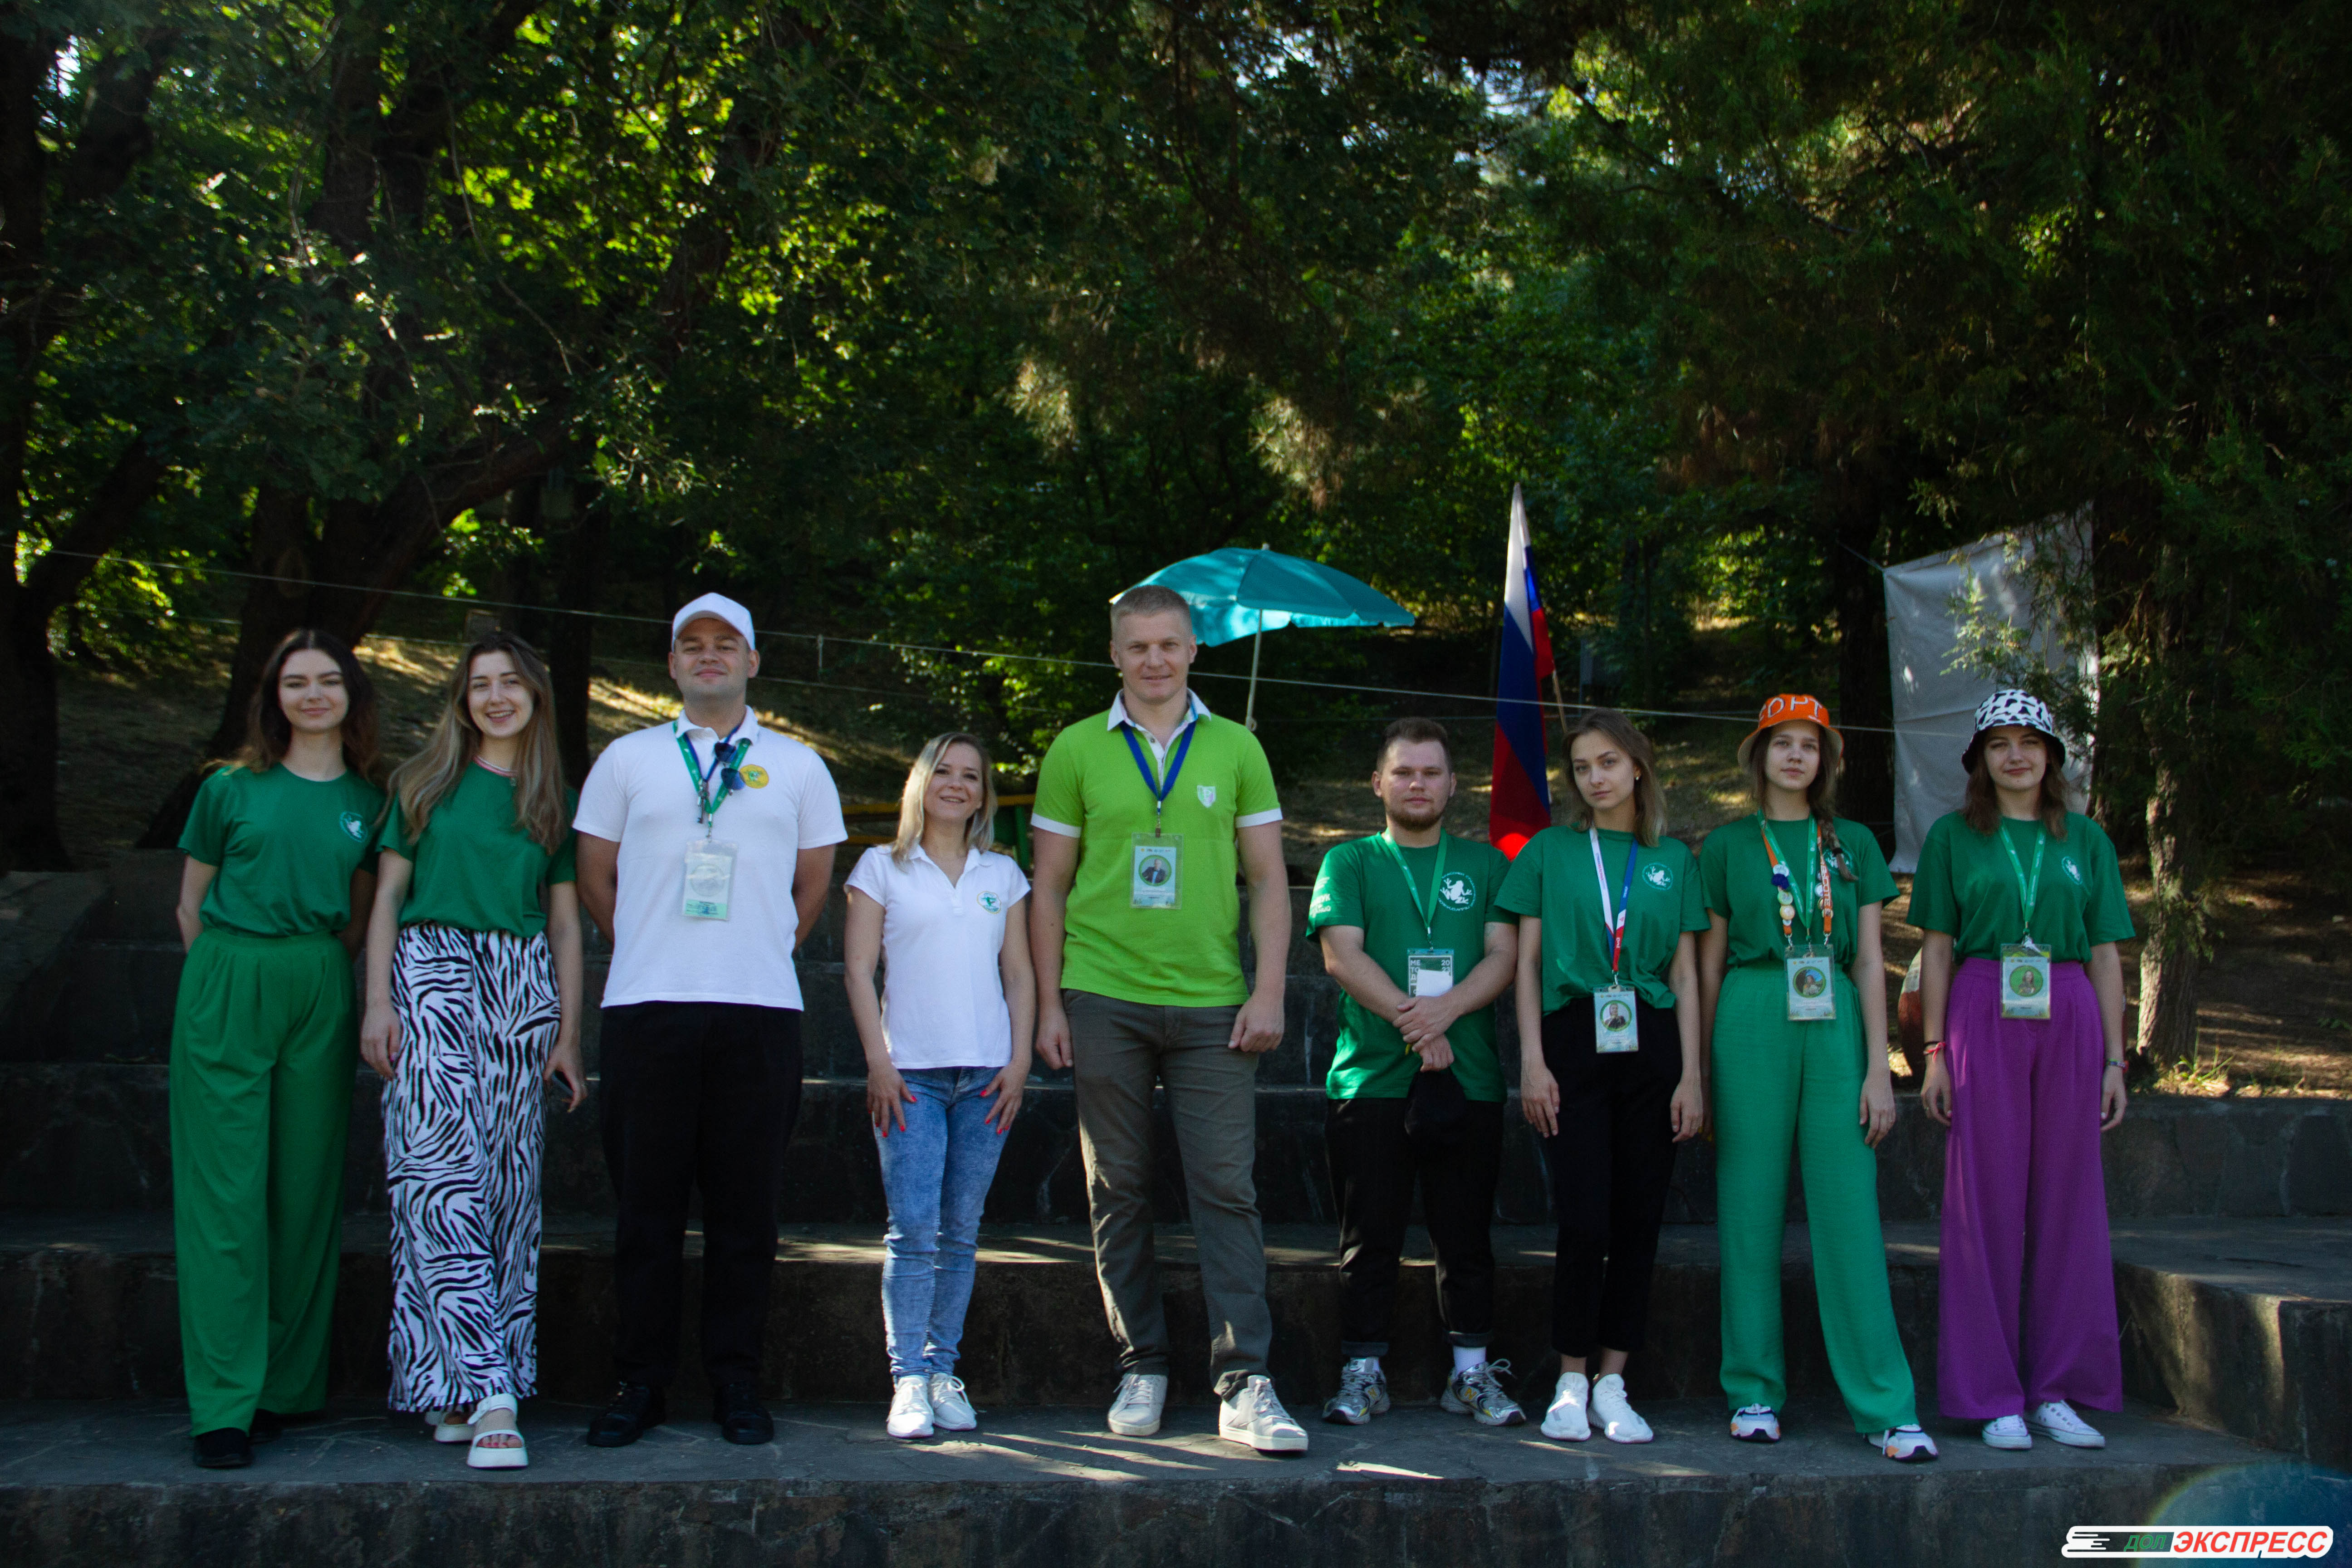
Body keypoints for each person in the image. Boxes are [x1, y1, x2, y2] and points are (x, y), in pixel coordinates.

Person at [1029, 582, 1306, 1454]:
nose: (1155, 660)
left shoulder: (1237, 747)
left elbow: (1269, 879)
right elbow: (1049, 888)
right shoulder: (1075, 748)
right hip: (1103, 993)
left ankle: (1245, 1380)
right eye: (1138, 646)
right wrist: (1050, 1003)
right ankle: (1142, 1363)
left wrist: (1269, 990)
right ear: (1115, 655)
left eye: (1170, 645)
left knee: (1227, 1188)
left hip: (1214, 1002)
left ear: (1194, 650)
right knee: (1117, 1186)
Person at [572, 593, 846, 1447]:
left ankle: (737, 1381)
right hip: (647, 1009)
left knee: (745, 1215)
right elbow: (595, 876)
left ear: (753, 661)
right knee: (645, 1212)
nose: (709, 655)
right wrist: (650, 948)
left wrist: (753, 951)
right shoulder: (627, 759)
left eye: (727, 643)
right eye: (691, 644)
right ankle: (640, 1383)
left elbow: (811, 888)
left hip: (758, 1013)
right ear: (672, 664)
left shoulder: (799, 766)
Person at [359, 631, 587, 1470]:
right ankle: (494, 1392)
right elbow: (388, 898)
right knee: (435, 1181)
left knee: (505, 1191)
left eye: (511, 683)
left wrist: (568, 1034)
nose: (496, 697)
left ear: (535, 696)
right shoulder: (423, 784)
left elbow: (565, 924)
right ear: (462, 699)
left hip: (520, 987)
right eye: (481, 684)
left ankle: (449, 1383)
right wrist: (378, 1003)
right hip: (431, 976)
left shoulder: (554, 798)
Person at [1695, 695, 1935, 1463]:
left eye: (1810, 745)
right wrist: (1700, 1070)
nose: (1796, 755)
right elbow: (1708, 964)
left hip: (1834, 1020)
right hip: (1750, 1013)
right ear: (1759, 755)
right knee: (1749, 1211)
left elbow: (1869, 960)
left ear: (1826, 760)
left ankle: (1886, 1405)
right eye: (1783, 743)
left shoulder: (1853, 841)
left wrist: (1878, 1069)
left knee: (1849, 1214)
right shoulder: (1727, 845)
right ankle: (1753, 1391)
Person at [170, 629, 386, 1469]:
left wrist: (314, 979)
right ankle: (222, 1405)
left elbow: (360, 917)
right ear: (275, 697)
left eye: (329, 680)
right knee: (226, 1196)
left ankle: (281, 1389)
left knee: (303, 1191)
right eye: (296, 682)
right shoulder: (229, 789)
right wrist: (228, 983)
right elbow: (190, 903)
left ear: (351, 695)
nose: (313, 694)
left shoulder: (370, 802)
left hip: (319, 982)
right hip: (231, 976)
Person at [1914, 689, 2133, 1451]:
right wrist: (1934, 1053)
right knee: (1985, 1204)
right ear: (1980, 758)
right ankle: (1991, 1394)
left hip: (2069, 1008)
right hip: (1982, 1004)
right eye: (2001, 743)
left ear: (2052, 757)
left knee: (2070, 1202)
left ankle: (2056, 1389)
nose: (2017, 756)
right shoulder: (1952, 837)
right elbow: (1937, 949)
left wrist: (2115, 1059)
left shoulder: (2086, 839)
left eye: (2031, 742)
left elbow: (2105, 953)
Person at [1499, 708, 1706, 1446]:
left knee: (1639, 1218)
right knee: (1584, 1217)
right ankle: (1570, 1378)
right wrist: (1533, 1060)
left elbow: (1685, 973)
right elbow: (1526, 963)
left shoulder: (1672, 859)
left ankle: (1614, 1382)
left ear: (1638, 768)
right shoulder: (1550, 851)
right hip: (1572, 1037)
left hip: (1652, 1043)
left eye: (1609, 762)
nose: (1596, 778)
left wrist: (1692, 1076)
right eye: (1583, 767)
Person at [1308, 719, 1522, 1428]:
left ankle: (1471, 1374)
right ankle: (1363, 1374)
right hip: (1372, 1079)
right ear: (1379, 783)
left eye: (1431, 773)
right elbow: (1340, 955)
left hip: (1470, 1079)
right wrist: (1418, 1022)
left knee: (1466, 1237)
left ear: (1454, 784)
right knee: (1368, 1238)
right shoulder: (1350, 862)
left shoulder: (1487, 865)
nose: (1418, 784)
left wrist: (1444, 1013)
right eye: (1404, 772)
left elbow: (1503, 955)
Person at [843, 733, 1036, 1441]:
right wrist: (879, 1062)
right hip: (910, 1078)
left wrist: (1019, 1063)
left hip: (987, 1077)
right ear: (920, 783)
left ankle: (942, 1371)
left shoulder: (1003, 873)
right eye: (944, 772)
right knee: (913, 1232)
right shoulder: (880, 867)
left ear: (985, 794)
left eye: (971, 776)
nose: (957, 784)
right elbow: (858, 970)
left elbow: (1019, 974)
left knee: (961, 1234)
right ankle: (908, 1379)